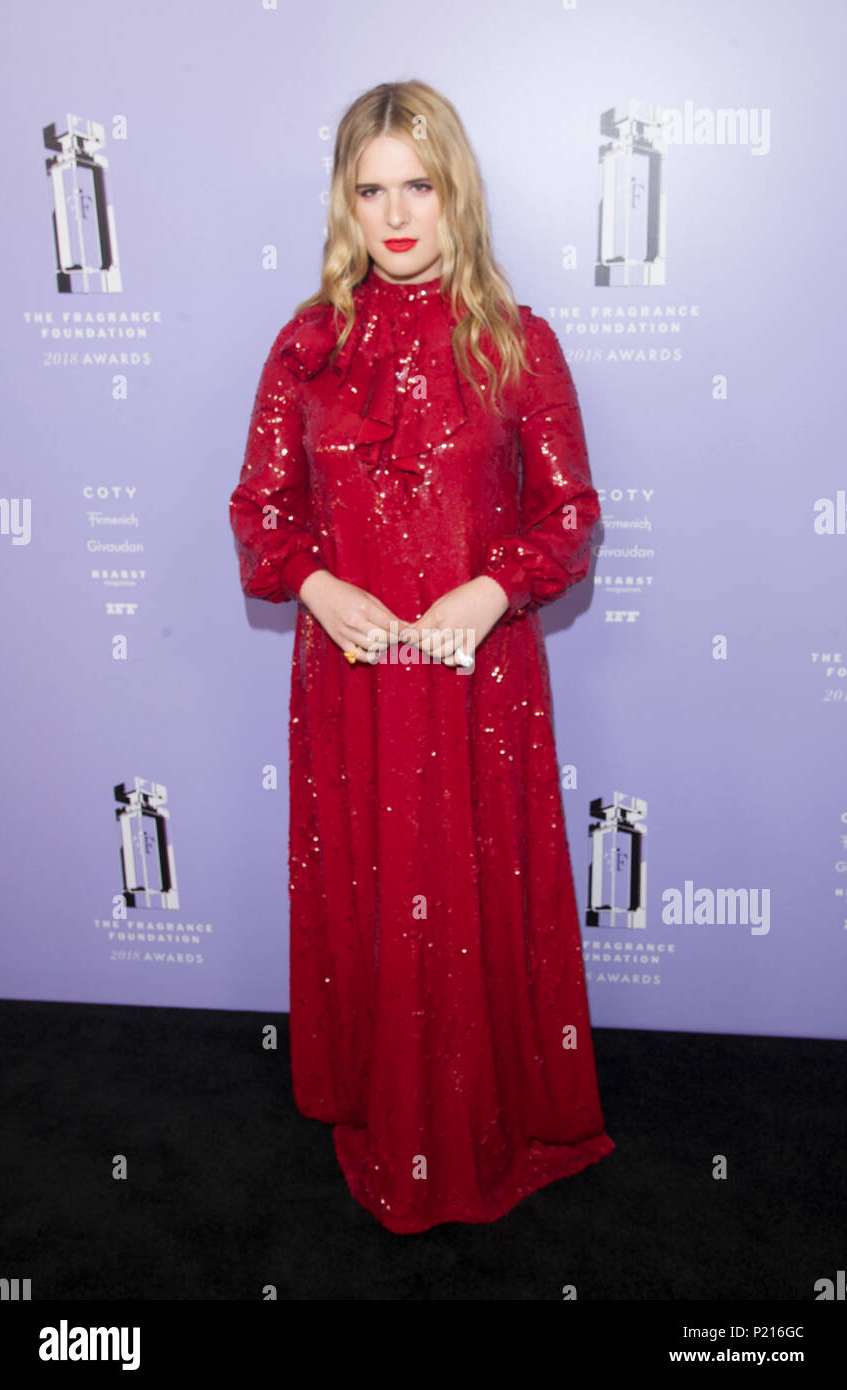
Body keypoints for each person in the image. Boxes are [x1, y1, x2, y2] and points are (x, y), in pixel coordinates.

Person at [229, 79, 615, 1234]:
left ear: (456, 194)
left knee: (473, 901)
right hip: (349, 681)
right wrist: (315, 582)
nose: (397, 215)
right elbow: (260, 509)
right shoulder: (306, 348)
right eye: (372, 189)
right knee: (375, 902)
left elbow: (570, 514)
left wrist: (494, 586)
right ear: (346, 202)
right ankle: (380, 1108)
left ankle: (487, 1124)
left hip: (477, 684)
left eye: (420, 185)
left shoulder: (515, 341)